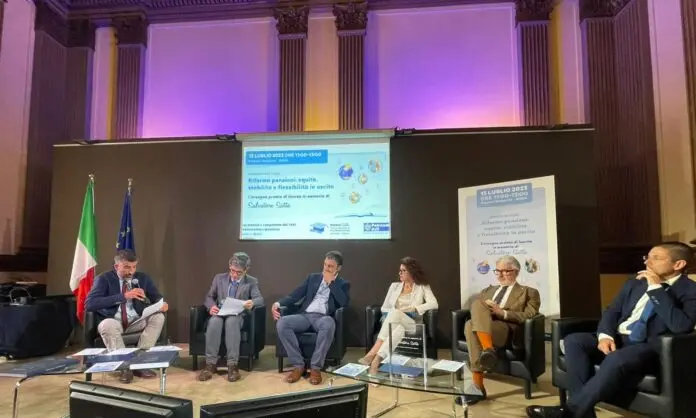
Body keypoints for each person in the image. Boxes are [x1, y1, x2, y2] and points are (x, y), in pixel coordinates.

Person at [527, 242, 696, 418]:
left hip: (650, 345)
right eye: (647, 257)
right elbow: (612, 311)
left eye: (656, 258)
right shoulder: (635, 282)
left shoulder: (691, 290)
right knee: (574, 340)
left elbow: (680, 326)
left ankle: (570, 411)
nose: (648, 262)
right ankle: (583, 415)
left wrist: (655, 288)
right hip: (620, 337)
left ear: (678, 264)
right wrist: (605, 336)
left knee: (617, 358)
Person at [459, 255, 541, 405]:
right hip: (486, 325)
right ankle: (487, 353)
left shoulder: (529, 292)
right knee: (472, 318)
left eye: (506, 271)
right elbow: (478, 312)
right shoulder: (488, 290)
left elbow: (529, 315)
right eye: (498, 271)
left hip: (506, 329)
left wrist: (502, 312)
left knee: (471, 325)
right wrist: (488, 310)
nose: (501, 275)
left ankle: (477, 385)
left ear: (516, 272)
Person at [85, 249, 168, 384]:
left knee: (159, 317)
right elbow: (90, 304)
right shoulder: (104, 279)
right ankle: (124, 367)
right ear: (116, 266)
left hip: (135, 321)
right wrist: (123, 296)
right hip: (114, 321)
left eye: (134, 267)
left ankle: (140, 362)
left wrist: (163, 304)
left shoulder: (142, 278)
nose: (131, 271)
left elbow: (157, 297)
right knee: (107, 325)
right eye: (127, 267)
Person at [273, 250, 350, 385]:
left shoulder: (342, 283)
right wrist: (278, 303)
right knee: (282, 323)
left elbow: (344, 303)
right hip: (305, 315)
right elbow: (296, 294)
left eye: (330, 266)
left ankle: (315, 368)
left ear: (338, 268)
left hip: (323, 318)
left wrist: (331, 284)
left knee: (329, 323)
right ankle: (298, 365)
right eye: (325, 264)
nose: (326, 268)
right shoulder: (313, 278)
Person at [358, 257, 438, 373]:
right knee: (399, 328)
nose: (400, 273)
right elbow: (384, 307)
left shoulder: (422, 286)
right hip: (394, 322)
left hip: (413, 324)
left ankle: (372, 353)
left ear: (412, 272)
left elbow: (434, 304)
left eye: (403, 270)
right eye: (400, 270)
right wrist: (396, 312)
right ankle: (376, 362)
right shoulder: (394, 286)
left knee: (396, 313)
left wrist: (415, 308)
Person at [197, 252, 264, 382]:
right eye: (232, 270)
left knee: (231, 322)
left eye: (238, 272)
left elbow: (259, 299)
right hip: (221, 312)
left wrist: (252, 302)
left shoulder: (251, 281)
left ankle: (232, 365)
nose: (234, 275)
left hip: (237, 315)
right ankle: (210, 364)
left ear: (246, 270)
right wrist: (211, 307)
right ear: (229, 266)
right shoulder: (219, 278)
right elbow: (210, 297)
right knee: (214, 322)